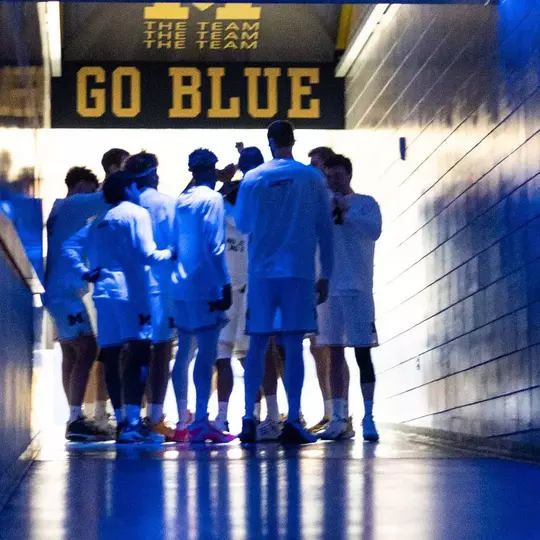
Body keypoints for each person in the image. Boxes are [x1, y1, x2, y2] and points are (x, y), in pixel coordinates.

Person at [236, 121, 334, 444]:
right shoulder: (312, 177)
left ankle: (249, 418)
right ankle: (293, 418)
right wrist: (326, 274)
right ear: (294, 140)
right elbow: (324, 228)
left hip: (262, 273)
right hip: (299, 271)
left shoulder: (253, 178)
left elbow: (243, 223)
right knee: (293, 346)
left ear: (269, 142)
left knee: (258, 346)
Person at [63, 170, 172, 443]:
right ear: (128, 189)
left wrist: (85, 272)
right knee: (138, 353)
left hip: (104, 294)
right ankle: (135, 423)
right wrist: (171, 253)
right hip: (132, 293)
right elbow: (148, 254)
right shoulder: (137, 214)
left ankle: (122, 420)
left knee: (111, 355)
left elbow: (68, 247)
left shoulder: (98, 220)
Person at [170, 149, 235, 443]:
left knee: (184, 353)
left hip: (181, 286)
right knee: (207, 355)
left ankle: (183, 420)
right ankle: (200, 421)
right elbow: (215, 244)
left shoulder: (181, 200)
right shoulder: (213, 199)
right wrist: (225, 284)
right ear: (212, 170)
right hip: (205, 284)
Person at [316, 154, 382, 442]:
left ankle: (369, 416)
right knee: (333, 352)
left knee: (362, 353)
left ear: (349, 175)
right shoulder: (320, 209)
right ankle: (339, 417)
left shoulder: (366, 203)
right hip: (331, 290)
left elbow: (374, 231)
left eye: (338, 176)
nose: (334, 182)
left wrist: (347, 210)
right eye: (329, 177)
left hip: (358, 289)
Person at [44, 166, 112, 442]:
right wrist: (117, 171)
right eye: (91, 186)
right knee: (87, 347)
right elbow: (110, 196)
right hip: (64, 293)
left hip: (59, 292)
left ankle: (75, 417)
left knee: (71, 354)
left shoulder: (60, 208)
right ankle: (75, 419)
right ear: (81, 184)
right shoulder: (74, 204)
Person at [123, 152, 178, 441]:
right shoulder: (167, 204)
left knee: (132, 353)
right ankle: (154, 416)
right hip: (160, 286)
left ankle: (130, 417)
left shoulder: (123, 205)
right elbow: (179, 247)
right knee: (161, 352)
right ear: (152, 173)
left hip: (129, 289)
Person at [213, 146, 264, 433]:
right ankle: (237, 416)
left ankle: (250, 415)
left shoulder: (259, 198)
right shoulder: (223, 203)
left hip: (246, 289)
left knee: (246, 356)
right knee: (229, 357)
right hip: (232, 291)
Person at [84, 148, 130, 428]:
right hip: (115, 288)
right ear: (113, 167)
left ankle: (118, 411)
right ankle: (108, 411)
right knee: (112, 352)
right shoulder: (101, 202)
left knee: (117, 352)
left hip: (105, 288)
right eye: (125, 164)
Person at [306, 146, 338, 434]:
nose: (313, 169)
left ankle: (338, 413)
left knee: (331, 346)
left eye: (316, 164)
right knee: (317, 347)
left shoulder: (336, 201)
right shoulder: (312, 200)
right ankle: (330, 411)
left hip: (330, 282)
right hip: (313, 281)